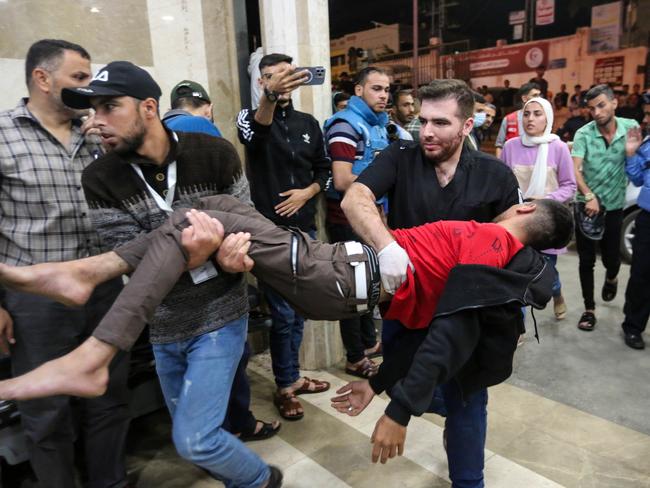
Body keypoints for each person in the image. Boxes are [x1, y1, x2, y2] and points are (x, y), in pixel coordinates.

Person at [0, 197, 572, 406]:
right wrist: (381, 381)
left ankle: (96, 348)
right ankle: (85, 273)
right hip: (339, 270)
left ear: (524, 212)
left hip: (340, 277)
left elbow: (451, 320)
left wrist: (396, 400)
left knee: (204, 216)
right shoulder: (495, 255)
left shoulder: (492, 241)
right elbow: (437, 317)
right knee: (214, 205)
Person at [60, 60, 282, 488]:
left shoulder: (214, 154)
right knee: (195, 440)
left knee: (196, 441)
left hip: (220, 316)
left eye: (108, 107)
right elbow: (131, 263)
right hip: (162, 326)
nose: (96, 122)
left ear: (148, 107)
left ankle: (260, 480)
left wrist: (228, 255)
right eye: (92, 111)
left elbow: (248, 225)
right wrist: (199, 252)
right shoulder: (100, 178)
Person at [339, 79, 521, 488]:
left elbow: (513, 238)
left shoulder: (494, 175)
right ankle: (435, 398)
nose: (427, 132)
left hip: (464, 317)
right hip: (406, 306)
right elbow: (355, 198)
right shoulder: (402, 156)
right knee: (405, 381)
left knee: (467, 401)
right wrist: (387, 248)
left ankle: (468, 479)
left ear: (467, 125)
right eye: (423, 120)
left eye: (441, 122)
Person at [0, 39, 130, 488]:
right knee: (47, 410)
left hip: (105, 289)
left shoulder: (95, 135)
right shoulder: (3, 134)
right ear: (42, 77)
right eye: (79, 78)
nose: (87, 88)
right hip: (36, 301)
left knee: (110, 400)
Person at [163, 79, 281, 441]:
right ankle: (237, 428)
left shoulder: (149, 140)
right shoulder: (210, 136)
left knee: (182, 372)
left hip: (163, 287)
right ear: (209, 107)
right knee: (230, 358)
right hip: (218, 276)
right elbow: (242, 212)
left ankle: (203, 439)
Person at [236, 53, 332, 421]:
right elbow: (254, 135)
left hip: (304, 231)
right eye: (272, 77)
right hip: (268, 234)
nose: (281, 80)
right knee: (282, 313)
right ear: (262, 82)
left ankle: (291, 376)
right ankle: (285, 385)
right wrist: (270, 99)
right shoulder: (251, 117)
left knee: (300, 311)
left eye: (287, 75)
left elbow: (323, 170)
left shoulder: (309, 123)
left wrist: (307, 192)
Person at [324, 66, 393, 380]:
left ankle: (366, 344)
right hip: (348, 220)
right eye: (376, 88)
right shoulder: (346, 125)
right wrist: (384, 182)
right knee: (354, 292)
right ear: (358, 90)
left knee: (371, 287)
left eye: (387, 89)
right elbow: (341, 179)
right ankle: (354, 357)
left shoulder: (377, 125)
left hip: (371, 218)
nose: (383, 95)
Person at [571, 84, 640, 332]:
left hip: (614, 206)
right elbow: (575, 169)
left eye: (601, 105)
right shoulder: (583, 134)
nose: (597, 112)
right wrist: (588, 195)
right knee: (586, 260)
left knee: (612, 258)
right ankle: (589, 309)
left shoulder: (631, 128)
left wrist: (633, 154)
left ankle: (612, 277)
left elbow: (636, 167)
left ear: (614, 103)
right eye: (592, 108)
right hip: (587, 206)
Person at [501, 97, 577, 320]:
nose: (530, 118)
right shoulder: (510, 146)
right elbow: (504, 183)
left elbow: (569, 186)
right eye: (526, 114)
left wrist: (544, 202)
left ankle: (557, 293)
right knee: (517, 275)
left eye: (537, 114)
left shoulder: (559, 148)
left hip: (546, 224)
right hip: (518, 224)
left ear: (548, 118)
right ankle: (519, 325)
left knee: (547, 275)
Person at [620, 94, 650, 349]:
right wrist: (631, 154)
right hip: (647, 219)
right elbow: (638, 179)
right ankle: (633, 326)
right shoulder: (647, 144)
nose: (647, 119)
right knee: (641, 274)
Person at [495, 82, 541, 158]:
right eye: (535, 95)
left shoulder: (542, 119)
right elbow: (499, 146)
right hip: (512, 164)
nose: (539, 98)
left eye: (539, 95)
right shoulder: (509, 119)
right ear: (524, 98)